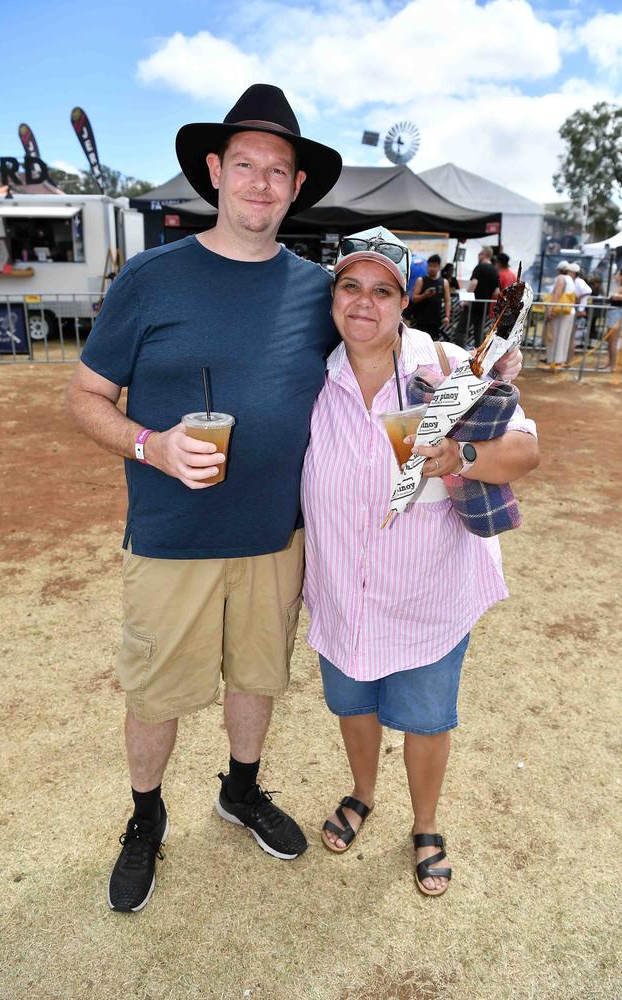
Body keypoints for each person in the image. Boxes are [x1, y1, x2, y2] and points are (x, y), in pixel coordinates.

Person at [65, 83, 343, 913]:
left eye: (278, 170)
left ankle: (242, 789)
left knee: (257, 676)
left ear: (296, 188)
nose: (261, 183)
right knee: (156, 692)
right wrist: (149, 445)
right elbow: (84, 397)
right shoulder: (151, 278)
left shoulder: (319, 292)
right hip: (170, 534)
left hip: (273, 536)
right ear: (216, 172)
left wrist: (472, 377)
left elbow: (387, 362)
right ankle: (145, 815)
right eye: (246, 164)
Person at [300, 228, 539, 896]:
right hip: (343, 589)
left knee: (428, 719)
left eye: (383, 290)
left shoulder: (446, 368)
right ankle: (361, 793)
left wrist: (461, 456)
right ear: (333, 297)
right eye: (351, 286)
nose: (364, 303)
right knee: (353, 704)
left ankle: (426, 824)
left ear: (405, 301)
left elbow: (525, 450)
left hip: (429, 592)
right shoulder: (313, 377)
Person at [411, 254, 451, 340]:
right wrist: (424, 295)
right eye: (430, 266)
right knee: (419, 344)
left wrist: (447, 316)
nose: (432, 268)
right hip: (421, 319)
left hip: (436, 320)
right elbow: (414, 299)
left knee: (433, 345)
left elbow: (447, 300)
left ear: (439, 267)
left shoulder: (444, 282)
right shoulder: (421, 280)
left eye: (434, 266)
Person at [545, 261, 576, 366]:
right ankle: (560, 359)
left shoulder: (561, 278)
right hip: (568, 311)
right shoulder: (570, 279)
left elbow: (557, 294)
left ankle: (555, 360)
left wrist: (550, 309)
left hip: (560, 311)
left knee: (556, 336)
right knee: (563, 336)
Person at [466, 246, 499, 346]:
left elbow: (473, 283)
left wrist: (466, 299)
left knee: (461, 330)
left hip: (472, 304)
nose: (478, 256)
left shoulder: (479, 267)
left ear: (484, 255)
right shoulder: (495, 270)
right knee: (479, 332)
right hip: (484, 307)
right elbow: (497, 292)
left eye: (480, 253)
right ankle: (478, 356)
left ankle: (458, 353)